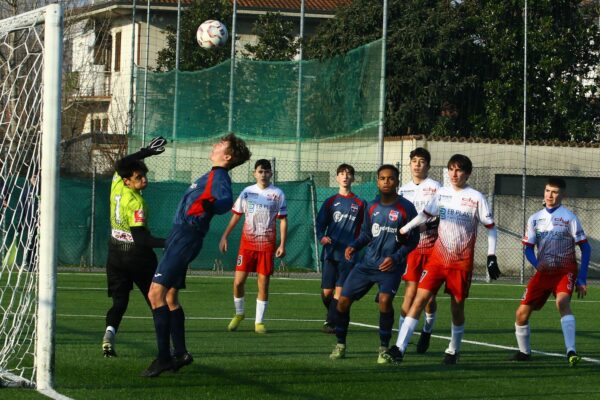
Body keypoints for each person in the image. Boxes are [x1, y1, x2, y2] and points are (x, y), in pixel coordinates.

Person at [143, 133, 251, 378]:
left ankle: (163, 358)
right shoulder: (211, 175)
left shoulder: (219, 176)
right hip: (180, 236)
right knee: (170, 296)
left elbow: (224, 201)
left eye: (221, 144)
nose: (215, 145)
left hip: (186, 236)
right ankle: (180, 353)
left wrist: (208, 205)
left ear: (228, 156)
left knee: (155, 294)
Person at [383, 154, 500, 365]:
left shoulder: (476, 197)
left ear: (467, 173)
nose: (454, 174)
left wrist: (491, 256)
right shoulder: (442, 193)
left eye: (459, 170)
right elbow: (425, 215)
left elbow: (491, 228)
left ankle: (453, 350)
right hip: (437, 260)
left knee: (457, 308)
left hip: (461, 263)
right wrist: (406, 228)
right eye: (451, 169)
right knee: (419, 300)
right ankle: (399, 349)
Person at [329, 164, 419, 362]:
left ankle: (383, 348)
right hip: (367, 264)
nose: (386, 182)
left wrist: (396, 258)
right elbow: (366, 234)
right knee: (342, 301)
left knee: (385, 301)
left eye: (391, 178)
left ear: (397, 181)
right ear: (377, 181)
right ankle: (340, 344)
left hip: (390, 267)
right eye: (382, 178)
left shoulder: (407, 208)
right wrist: (354, 245)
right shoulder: (371, 206)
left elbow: (413, 240)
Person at [511, 177, 591, 366]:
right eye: (547, 191)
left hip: (565, 272)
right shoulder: (534, 219)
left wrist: (582, 278)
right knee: (521, 314)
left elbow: (585, 248)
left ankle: (571, 350)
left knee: (562, 303)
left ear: (563, 195)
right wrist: (537, 264)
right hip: (543, 273)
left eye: (554, 192)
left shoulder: (570, 218)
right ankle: (524, 352)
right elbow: (528, 248)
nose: (550, 195)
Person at [102, 137, 167, 357]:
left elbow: (122, 164)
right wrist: (168, 242)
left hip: (115, 254)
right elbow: (140, 240)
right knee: (157, 300)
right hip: (136, 256)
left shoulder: (116, 183)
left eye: (144, 176)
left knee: (120, 301)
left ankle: (109, 335)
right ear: (128, 181)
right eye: (139, 177)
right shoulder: (136, 202)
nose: (144, 180)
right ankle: (167, 348)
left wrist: (145, 152)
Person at [219, 159, 287, 334]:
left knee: (263, 284)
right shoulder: (247, 192)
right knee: (238, 282)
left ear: (271, 173)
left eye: (266, 172)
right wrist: (225, 235)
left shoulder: (278, 194)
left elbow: (283, 220)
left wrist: (282, 244)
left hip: (266, 246)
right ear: (254, 173)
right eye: (260, 171)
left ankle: (259, 322)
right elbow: (236, 215)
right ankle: (239, 313)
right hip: (247, 246)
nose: (263, 175)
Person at [396, 148, 441, 353]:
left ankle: (427, 330)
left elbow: (440, 219)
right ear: (409, 164)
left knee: (429, 299)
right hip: (412, 249)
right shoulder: (402, 190)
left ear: (428, 166)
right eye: (414, 161)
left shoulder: (436, 188)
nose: (417, 164)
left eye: (422, 161)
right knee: (410, 293)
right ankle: (399, 341)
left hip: (433, 249)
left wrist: (421, 227)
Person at [316, 163, 366, 333]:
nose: (345, 177)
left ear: (353, 178)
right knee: (327, 293)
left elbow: (365, 229)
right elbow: (319, 224)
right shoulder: (330, 202)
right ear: (337, 178)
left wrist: (357, 245)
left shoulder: (360, 203)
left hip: (348, 254)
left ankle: (331, 322)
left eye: (348, 174)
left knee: (339, 291)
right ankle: (341, 313)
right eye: (342, 174)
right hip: (330, 252)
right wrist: (322, 237)